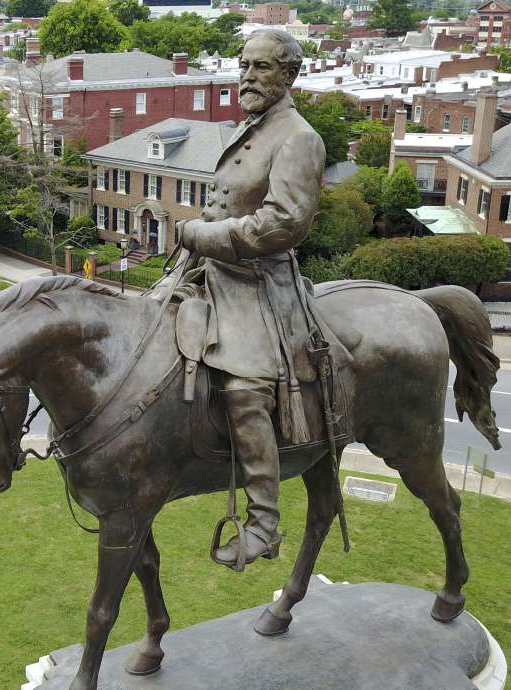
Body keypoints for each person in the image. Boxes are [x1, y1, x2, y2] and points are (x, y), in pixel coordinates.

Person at [174, 29, 326, 568]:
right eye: (244, 66)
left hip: (258, 283)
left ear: (288, 76)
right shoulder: (254, 126)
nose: (248, 77)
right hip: (208, 268)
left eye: (262, 68)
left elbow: (284, 222)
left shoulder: (298, 137)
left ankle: (263, 523)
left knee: (244, 389)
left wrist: (203, 235)